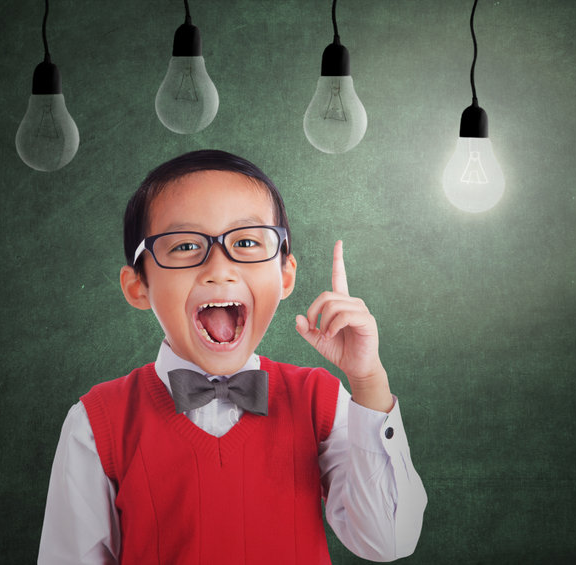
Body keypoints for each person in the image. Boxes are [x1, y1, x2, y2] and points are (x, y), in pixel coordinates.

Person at [38, 149, 427, 564]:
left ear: (285, 275)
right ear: (138, 286)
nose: (219, 268)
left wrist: (367, 380)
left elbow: (388, 540)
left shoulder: (322, 401)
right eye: (186, 245)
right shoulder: (95, 423)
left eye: (245, 242)